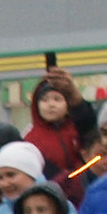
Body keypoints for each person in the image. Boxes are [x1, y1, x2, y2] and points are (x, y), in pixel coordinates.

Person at [24, 70, 92, 200]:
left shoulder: (78, 130)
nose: (51, 105)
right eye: (44, 100)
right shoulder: (30, 140)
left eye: (57, 99)